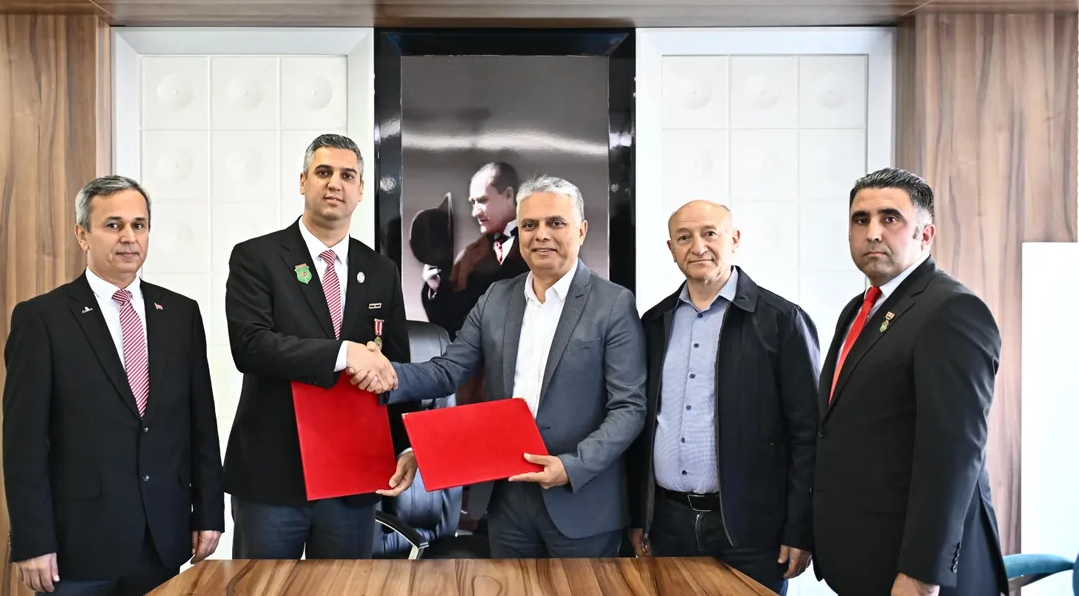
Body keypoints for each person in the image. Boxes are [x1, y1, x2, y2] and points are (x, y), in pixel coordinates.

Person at [355, 175, 647, 559]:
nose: (541, 235)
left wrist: (572, 467)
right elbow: (447, 371)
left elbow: (629, 408)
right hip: (507, 500)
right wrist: (386, 374)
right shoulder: (496, 297)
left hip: (580, 501)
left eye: (555, 223)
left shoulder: (613, 304)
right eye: (529, 225)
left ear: (581, 230)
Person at [3, 175, 224, 596]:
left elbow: (201, 424)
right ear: (82, 235)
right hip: (77, 546)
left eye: (138, 225)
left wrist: (209, 513)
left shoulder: (180, 314)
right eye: (113, 225)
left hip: (162, 539)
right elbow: (23, 443)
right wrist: (33, 540)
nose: (128, 237)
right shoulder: (42, 318)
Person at [221, 133, 419, 561]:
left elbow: (396, 365)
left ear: (361, 190)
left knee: (345, 588)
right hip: (273, 476)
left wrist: (404, 444)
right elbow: (250, 345)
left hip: (352, 474)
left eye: (347, 176)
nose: (335, 184)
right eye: (323, 172)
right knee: (263, 590)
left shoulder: (380, 270)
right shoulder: (257, 257)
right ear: (303, 182)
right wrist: (345, 353)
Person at [812, 168, 1008, 596]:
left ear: (926, 234)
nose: (873, 232)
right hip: (866, 558)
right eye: (860, 220)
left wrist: (922, 574)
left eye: (890, 218)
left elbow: (952, 455)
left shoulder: (952, 311)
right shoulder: (859, 309)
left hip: (917, 572)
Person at [626, 201, 820, 595]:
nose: (698, 247)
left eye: (709, 234)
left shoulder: (782, 320)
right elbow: (640, 427)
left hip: (752, 530)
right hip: (668, 525)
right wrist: (638, 517)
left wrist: (800, 528)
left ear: (734, 239)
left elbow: (809, 433)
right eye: (684, 237)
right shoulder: (654, 323)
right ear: (671, 249)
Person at [421, 161, 529, 339]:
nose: (475, 212)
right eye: (473, 203)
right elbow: (450, 324)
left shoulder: (540, 246)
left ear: (509, 194)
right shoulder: (468, 256)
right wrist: (437, 287)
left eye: (483, 200)